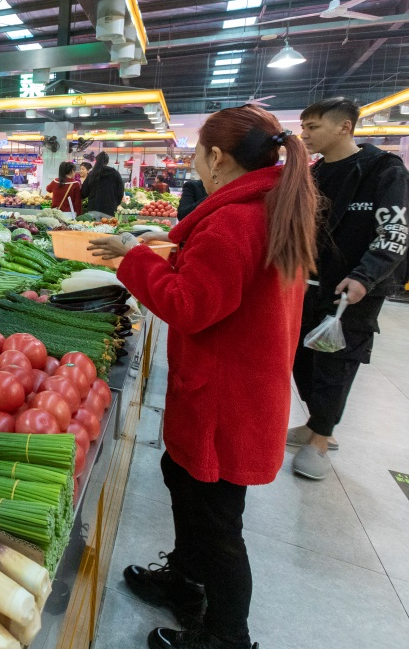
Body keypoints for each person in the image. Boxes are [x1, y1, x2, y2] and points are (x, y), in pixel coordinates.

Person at [88, 105, 318, 649]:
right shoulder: (270, 206)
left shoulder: (235, 221)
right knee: (183, 482)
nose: (193, 164)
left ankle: (226, 637)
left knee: (217, 524)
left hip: (225, 396)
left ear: (216, 157)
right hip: (241, 383)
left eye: (195, 155)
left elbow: (189, 305)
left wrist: (136, 257)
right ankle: (185, 583)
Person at [288, 98, 409, 479]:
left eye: (313, 127)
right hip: (306, 284)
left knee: (335, 364)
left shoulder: (383, 171)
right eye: (304, 127)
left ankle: (321, 439)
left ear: (344, 127)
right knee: (300, 359)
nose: (305, 135)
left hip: (350, 292)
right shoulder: (316, 173)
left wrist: (365, 275)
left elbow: (396, 231)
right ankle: (315, 422)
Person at [80, 151, 124, 215]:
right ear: (107, 161)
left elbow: (84, 192)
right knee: (108, 225)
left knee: (94, 225)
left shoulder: (92, 174)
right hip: (110, 210)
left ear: (96, 161)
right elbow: (120, 192)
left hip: (94, 209)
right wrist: (115, 203)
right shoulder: (115, 173)